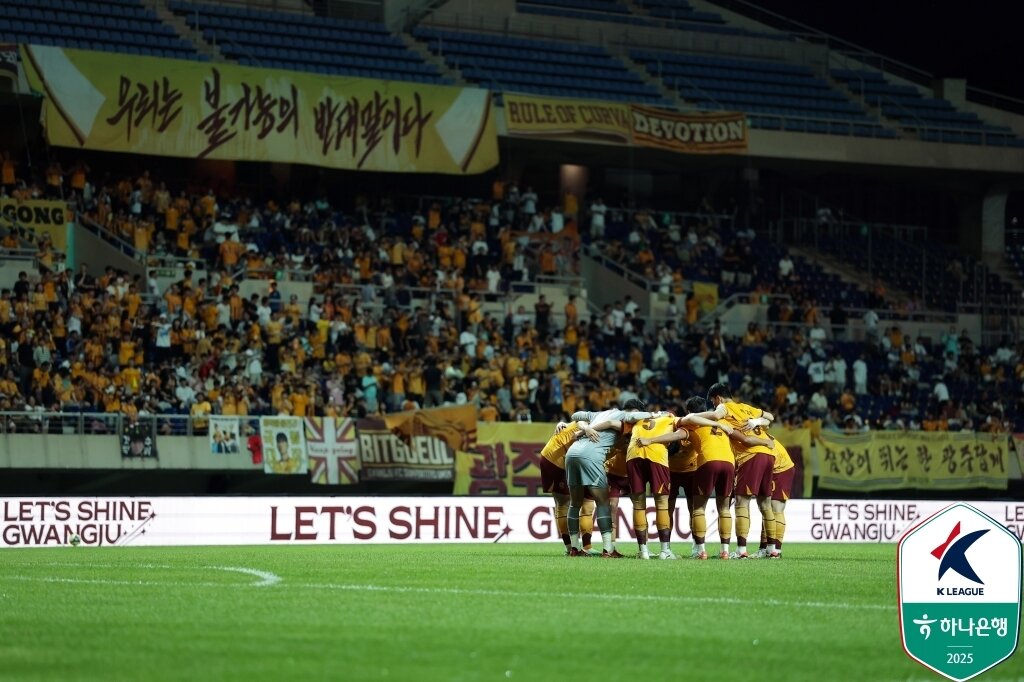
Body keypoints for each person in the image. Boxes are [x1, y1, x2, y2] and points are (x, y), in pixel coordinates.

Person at [564, 399, 656, 557]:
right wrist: (655, 414)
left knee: (575, 503)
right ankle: (608, 549)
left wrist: (585, 427)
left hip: (571, 454)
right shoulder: (624, 416)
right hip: (590, 457)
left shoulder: (596, 414)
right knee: (603, 502)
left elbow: (575, 416)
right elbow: (631, 417)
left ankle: (574, 548)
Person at [699, 383, 777, 559]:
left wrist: (693, 416)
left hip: (751, 455)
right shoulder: (746, 408)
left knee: (742, 502)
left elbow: (715, 415)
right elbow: (770, 416)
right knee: (765, 503)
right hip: (768, 455)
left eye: (713, 401)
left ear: (717, 398)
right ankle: (772, 549)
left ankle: (741, 550)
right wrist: (758, 421)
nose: (714, 405)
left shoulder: (723, 408)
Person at [539, 420, 597, 555]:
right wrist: (586, 428)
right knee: (565, 502)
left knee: (583, 501)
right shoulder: (591, 423)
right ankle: (572, 547)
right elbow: (581, 422)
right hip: (556, 460)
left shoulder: (590, 423)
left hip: (564, 458)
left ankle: (582, 547)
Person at [756, 439, 795, 559]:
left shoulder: (746, 435)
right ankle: (764, 549)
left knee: (776, 509)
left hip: (781, 469)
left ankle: (776, 550)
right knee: (766, 509)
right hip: (770, 467)